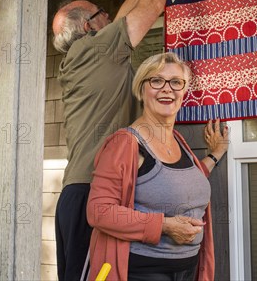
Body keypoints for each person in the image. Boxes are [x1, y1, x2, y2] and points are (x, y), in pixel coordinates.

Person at [52, 0, 172, 281]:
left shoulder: (92, 54)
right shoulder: (94, 50)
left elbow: (123, 14)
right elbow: (150, 7)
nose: (109, 14)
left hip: (84, 195)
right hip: (92, 193)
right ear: (89, 26)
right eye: (99, 12)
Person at [87, 52, 229, 281]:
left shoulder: (179, 141)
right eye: (156, 80)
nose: (167, 89)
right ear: (141, 89)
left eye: (175, 82)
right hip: (144, 271)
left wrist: (216, 154)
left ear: (183, 92)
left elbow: (179, 183)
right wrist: (165, 225)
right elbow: (98, 211)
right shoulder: (125, 143)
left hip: (187, 268)